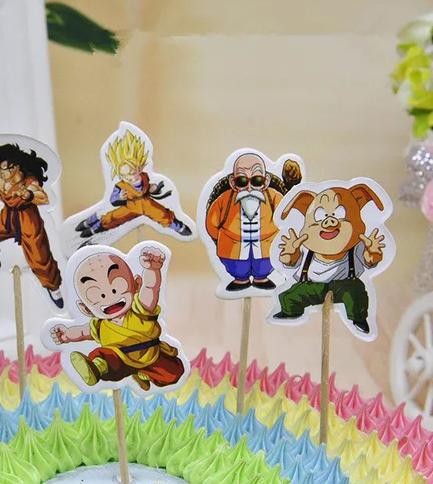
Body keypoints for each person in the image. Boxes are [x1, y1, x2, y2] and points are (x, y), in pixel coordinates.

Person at [49, 246, 184, 391]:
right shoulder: (100, 326)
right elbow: (83, 332)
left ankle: (142, 373)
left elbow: (151, 289)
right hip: (119, 361)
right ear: (86, 309)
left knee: (174, 371)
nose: (108, 297)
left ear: (136, 285)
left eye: (115, 288)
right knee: (105, 358)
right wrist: (67, 335)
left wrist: (153, 269)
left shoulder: (141, 311)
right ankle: (95, 368)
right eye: (97, 295)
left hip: (151, 356)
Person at [272, 184, 386, 334]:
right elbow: (290, 262)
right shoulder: (305, 247)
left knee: (355, 292)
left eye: (339, 214)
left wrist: (373, 252)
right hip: (311, 285)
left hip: (343, 284)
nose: (330, 222)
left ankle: (359, 319)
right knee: (289, 296)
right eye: (320, 216)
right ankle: (290, 312)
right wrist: (290, 253)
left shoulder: (356, 247)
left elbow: (369, 261)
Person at [0, 143, 63, 308]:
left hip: (28, 219)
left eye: (7, 169)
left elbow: (44, 198)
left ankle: (53, 287)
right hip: (7, 216)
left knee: (39, 258)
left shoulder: (29, 182)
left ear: (16, 167)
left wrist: (28, 195)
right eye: (0, 168)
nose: (2, 173)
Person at [205, 153, 301, 291]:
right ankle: (240, 279)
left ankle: (261, 278)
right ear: (233, 182)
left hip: (267, 247)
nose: (249, 188)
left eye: (256, 180)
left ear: (265, 181)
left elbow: (285, 215)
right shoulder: (224, 200)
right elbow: (212, 223)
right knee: (237, 267)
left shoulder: (274, 197)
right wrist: (224, 238)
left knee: (265, 264)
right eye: (242, 181)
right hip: (232, 248)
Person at [76, 130, 192, 238]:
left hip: (147, 204)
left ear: (139, 169)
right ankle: (94, 227)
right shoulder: (121, 186)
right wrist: (119, 197)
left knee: (162, 214)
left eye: (131, 174)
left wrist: (154, 189)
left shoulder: (145, 177)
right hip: (130, 207)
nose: (128, 178)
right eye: (124, 176)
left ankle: (179, 227)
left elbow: (149, 188)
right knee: (113, 217)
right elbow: (112, 200)